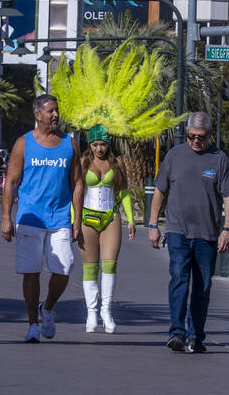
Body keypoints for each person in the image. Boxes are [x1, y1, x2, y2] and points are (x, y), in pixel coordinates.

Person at [147, 112, 229, 354]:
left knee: (202, 286)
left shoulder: (219, 159)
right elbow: (160, 191)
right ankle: (177, 332)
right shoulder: (175, 156)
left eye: (201, 137)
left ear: (210, 135)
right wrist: (153, 225)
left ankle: (196, 335)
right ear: (187, 133)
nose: (196, 141)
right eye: (192, 136)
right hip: (177, 230)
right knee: (179, 277)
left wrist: (227, 229)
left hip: (208, 234)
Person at [1, 94, 82, 343]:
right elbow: (11, 181)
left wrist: (77, 218)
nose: (55, 115)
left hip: (59, 217)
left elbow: (77, 182)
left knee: (65, 268)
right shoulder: (23, 143)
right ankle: (32, 324)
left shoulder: (70, 143)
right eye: (50, 111)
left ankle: (47, 308)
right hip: (29, 217)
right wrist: (6, 216)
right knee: (31, 271)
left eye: (57, 110)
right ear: (38, 115)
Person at [76, 125, 135, 333]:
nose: (99, 148)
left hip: (111, 216)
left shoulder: (117, 163)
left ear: (108, 144)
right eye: (95, 144)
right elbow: (75, 193)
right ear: (90, 145)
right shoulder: (83, 163)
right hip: (87, 218)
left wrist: (130, 220)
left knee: (109, 265)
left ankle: (106, 311)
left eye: (102, 144)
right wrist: (74, 222)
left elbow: (124, 192)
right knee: (90, 268)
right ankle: (91, 313)